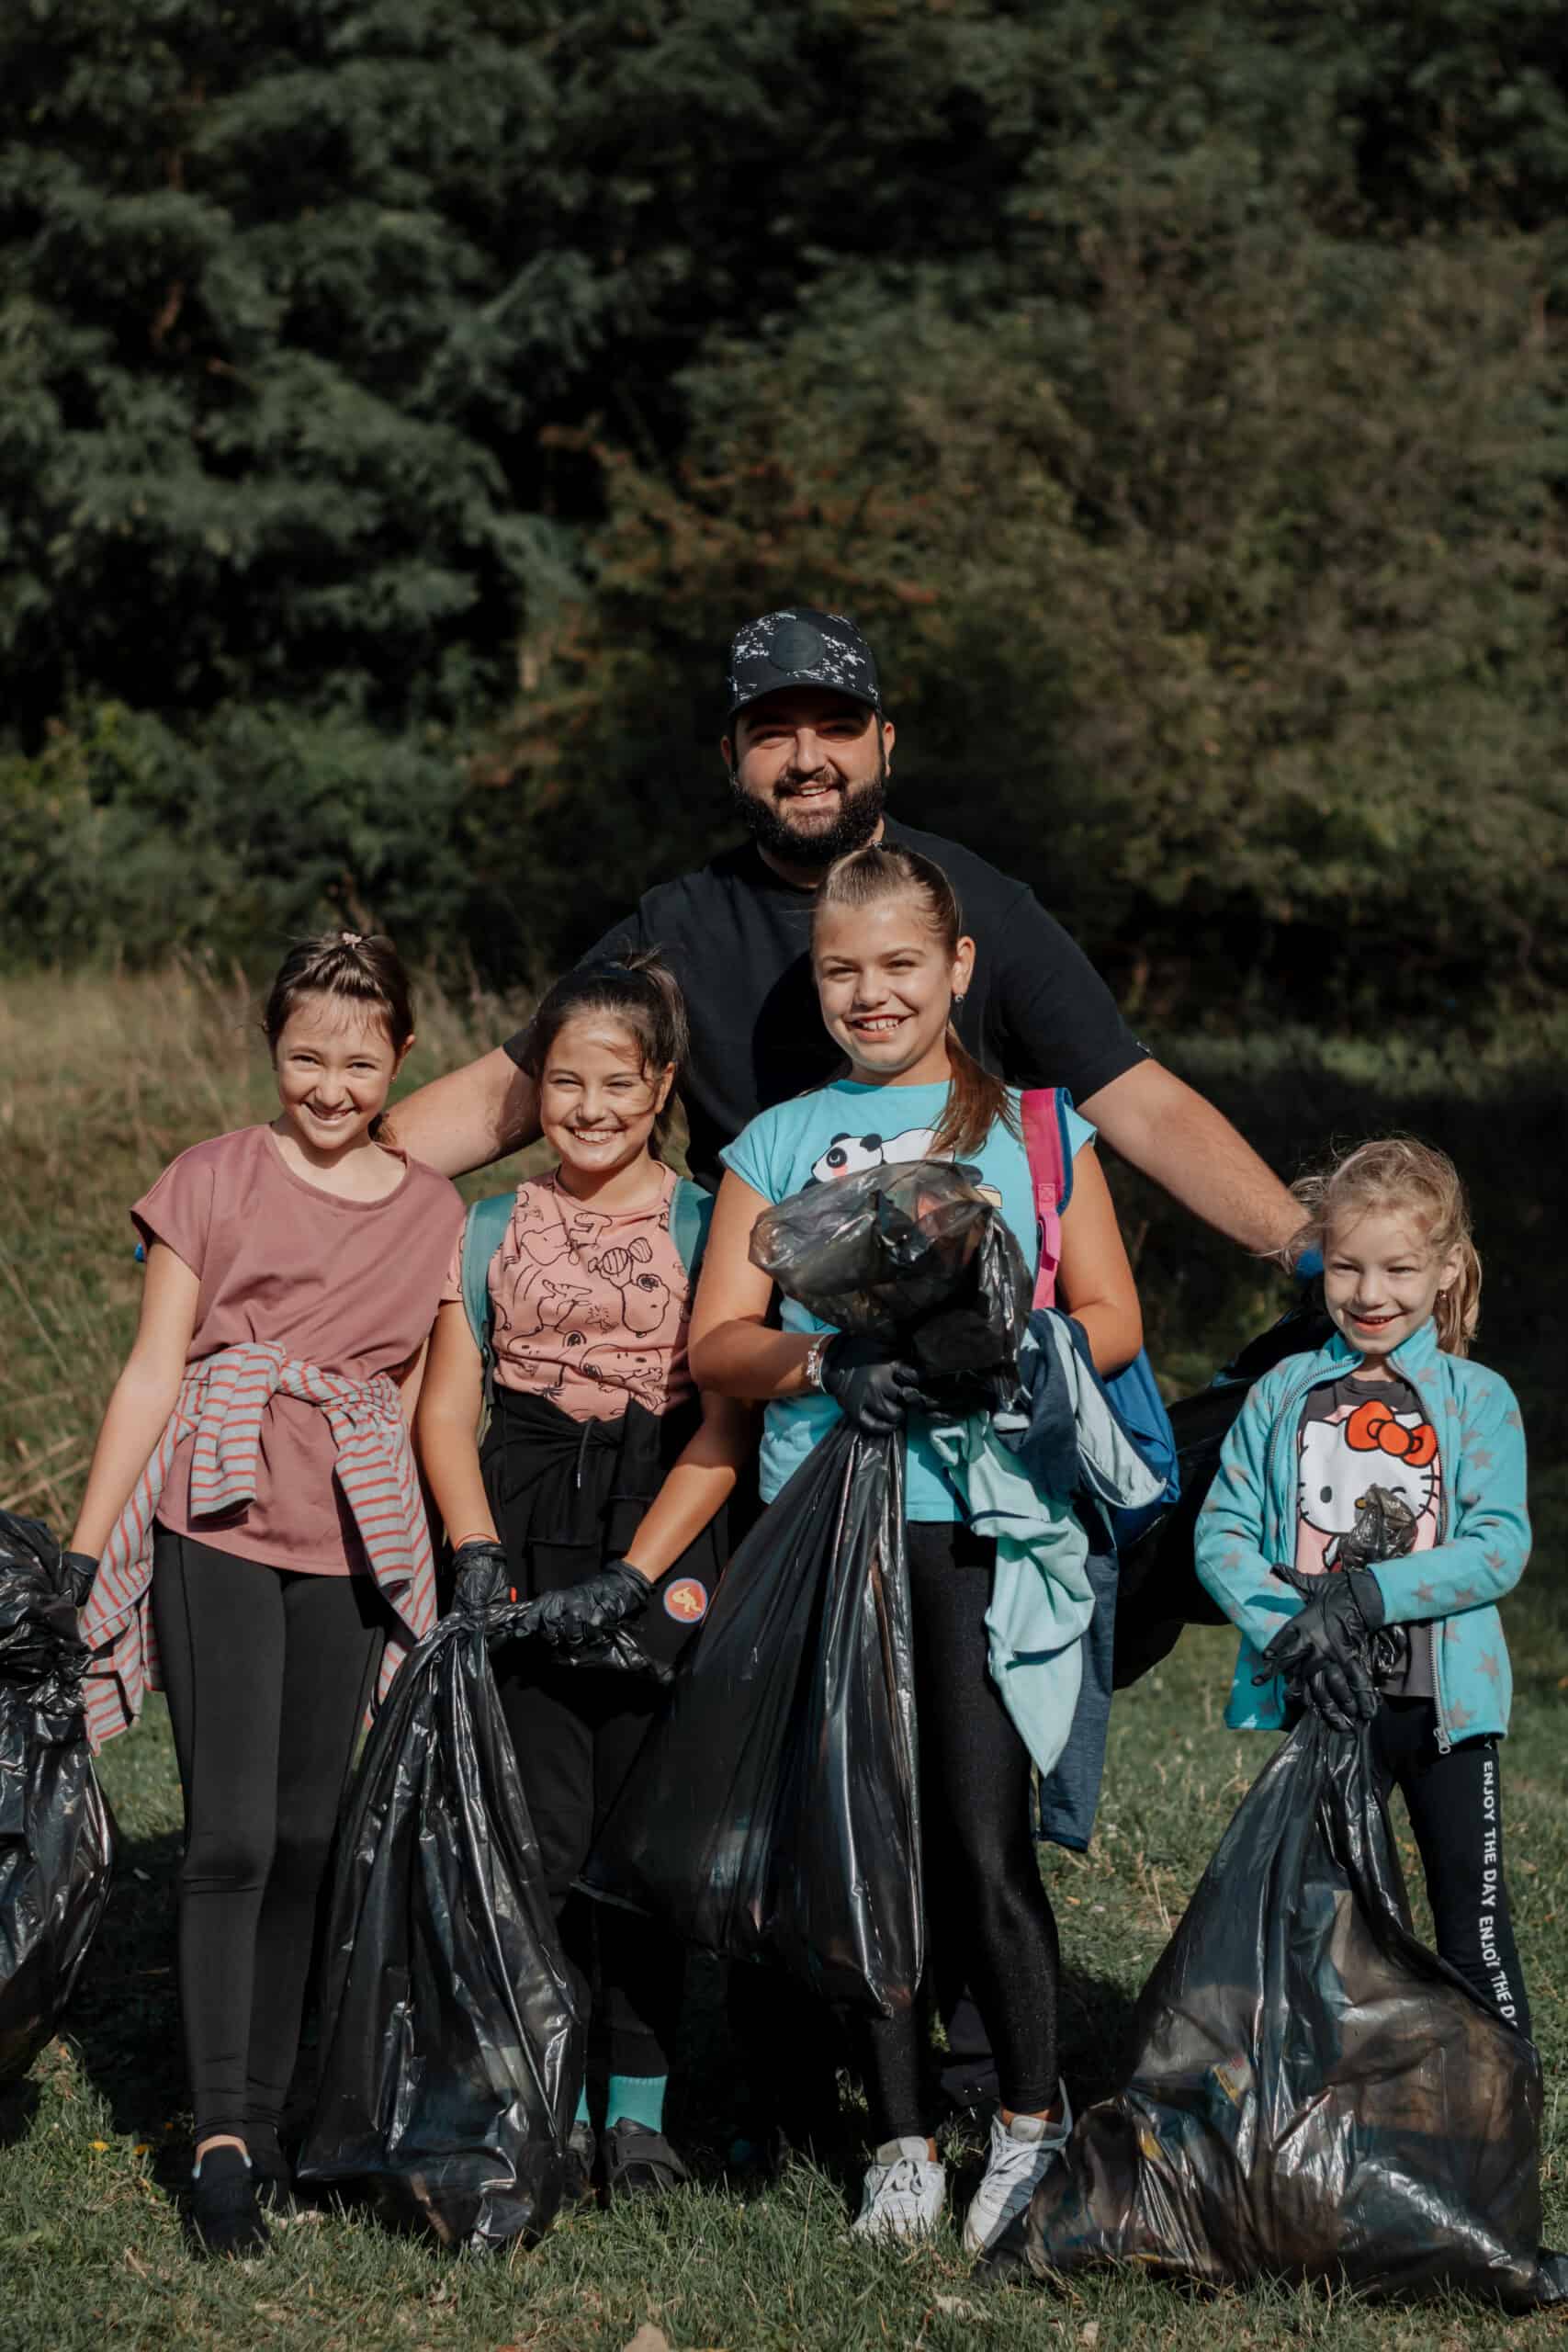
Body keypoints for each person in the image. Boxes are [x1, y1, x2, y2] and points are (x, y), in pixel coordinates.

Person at [686, 841, 1145, 2249]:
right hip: (835, 1527)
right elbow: (718, 1343)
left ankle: (1024, 2119)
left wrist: (991, 1346)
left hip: (980, 1530)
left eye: (898, 966)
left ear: (956, 969)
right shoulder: (771, 1141)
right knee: (859, 1841)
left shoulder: (1035, 1128)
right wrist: (826, 1370)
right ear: (812, 981)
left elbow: (1116, 1322)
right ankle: (896, 2142)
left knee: (978, 1838)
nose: (868, 994)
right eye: (840, 970)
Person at [389, 605, 1302, 1261]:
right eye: (774, 733)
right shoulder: (676, 925)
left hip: (957, 1325)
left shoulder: (977, 903)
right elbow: (507, 1093)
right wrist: (288, 1172)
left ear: (886, 743)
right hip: (747, 1335)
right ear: (731, 760)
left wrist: (1304, 1246)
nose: (808, 758)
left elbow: (1140, 1100)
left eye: (837, 726)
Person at [66, 933, 466, 2258]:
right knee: (230, 1835)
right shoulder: (213, 1179)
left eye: (358, 1061)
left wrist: (425, 1551)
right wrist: (83, 1552)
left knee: (310, 1839)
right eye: (305, 1056)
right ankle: (221, 2134)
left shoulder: (430, 1214)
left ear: (398, 1059)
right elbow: (150, 1371)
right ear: (272, 1050)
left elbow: (413, 1400)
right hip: (218, 1520)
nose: (330, 1084)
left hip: (346, 1537)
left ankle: (287, 2112)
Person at [414, 954, 750, 2206]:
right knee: (540, 1839)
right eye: (565, 1082)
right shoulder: (487, 1226)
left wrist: (634, 1573)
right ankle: (542, 2096)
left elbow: (724, 1429)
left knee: (645, 1840)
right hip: (524, 1526)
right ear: (535, 1091)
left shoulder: (710, 1220)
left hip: (659, 1528)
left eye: (618, 1082)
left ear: (660, 1086)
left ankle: (641, 2115)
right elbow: (451, 1409)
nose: (591, 1106)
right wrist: (475, 1549)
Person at [1196, 1137, 1532, 2037]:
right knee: (1316, 1923)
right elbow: (1222, 1536)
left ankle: (1499, 2124)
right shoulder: (1279, 1393)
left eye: (1397, 1269)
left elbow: (1498, 1547)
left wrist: (1365, 1595)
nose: (1370, 1294)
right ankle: (1332, 2113)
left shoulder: (1478, 1399)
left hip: (1440, 1710)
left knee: (1475, 1926)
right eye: (1347, 1267)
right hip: (1326, 1703)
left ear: (1447, 1270)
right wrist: (1290, 1632)